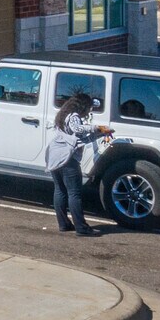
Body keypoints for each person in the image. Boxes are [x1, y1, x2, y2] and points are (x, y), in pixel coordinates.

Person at [44, 91, 103, 236]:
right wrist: (97, 128)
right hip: (68, 159)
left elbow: (79, 140)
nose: (89, 111)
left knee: (60, 191)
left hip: (55, 155)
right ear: (83, 106)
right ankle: (81, 228)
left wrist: (100, 135)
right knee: (74, 194)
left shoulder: (62, 115)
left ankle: (64, 224)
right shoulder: (74, 116)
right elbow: (78, 130)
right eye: (89, 107)